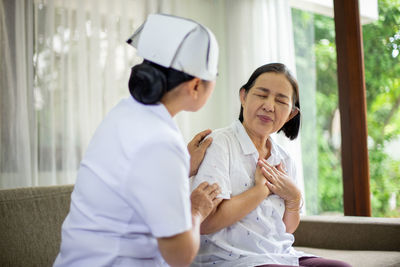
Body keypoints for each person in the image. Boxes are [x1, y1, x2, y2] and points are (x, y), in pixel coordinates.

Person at [54, 14, 222, 267]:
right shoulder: (162, 142)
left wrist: (182, 166)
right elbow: (179, 256)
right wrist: (196, 210)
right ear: (196, 85)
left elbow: (132, 179)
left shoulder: (124, 113)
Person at [190, 63, 351, 267]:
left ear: (291, 114)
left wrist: (294, 199)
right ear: (243, 96)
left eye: (281, 101)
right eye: (261, 95)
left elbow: (285, 228)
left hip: (279, 255)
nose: (269, 106)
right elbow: (205, 222)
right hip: (228, 259)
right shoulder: (218, 144)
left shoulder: (284, 159)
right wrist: (260, 191)